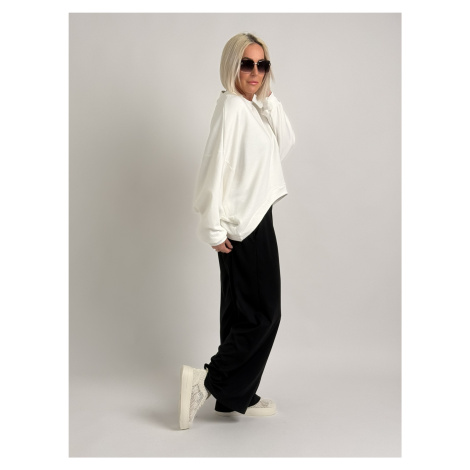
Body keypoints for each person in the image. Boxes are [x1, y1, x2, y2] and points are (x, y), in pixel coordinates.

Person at [179, 32, 296, 430]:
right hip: (245, 224)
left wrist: (267, 98)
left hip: (252, 217)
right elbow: (213, 165)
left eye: (262, 65)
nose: (255, 72)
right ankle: (208, 381)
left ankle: (235, 394)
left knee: (240, 313)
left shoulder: (251, 108)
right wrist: (212, 227)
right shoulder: (231, 106)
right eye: (247, 64)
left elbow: (285, 143)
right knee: (263, 314)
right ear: (232, 65)